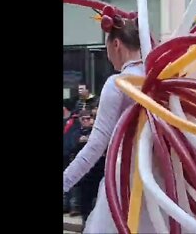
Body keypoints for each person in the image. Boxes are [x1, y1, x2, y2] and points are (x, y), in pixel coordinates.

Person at [63, 16, 156, 233]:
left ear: (116, 44)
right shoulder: (159, 78)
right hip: (162, 181)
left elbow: (96, 146)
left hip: (127, 181)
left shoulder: (118, 84)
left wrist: (65, 181)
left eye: (107, 48)